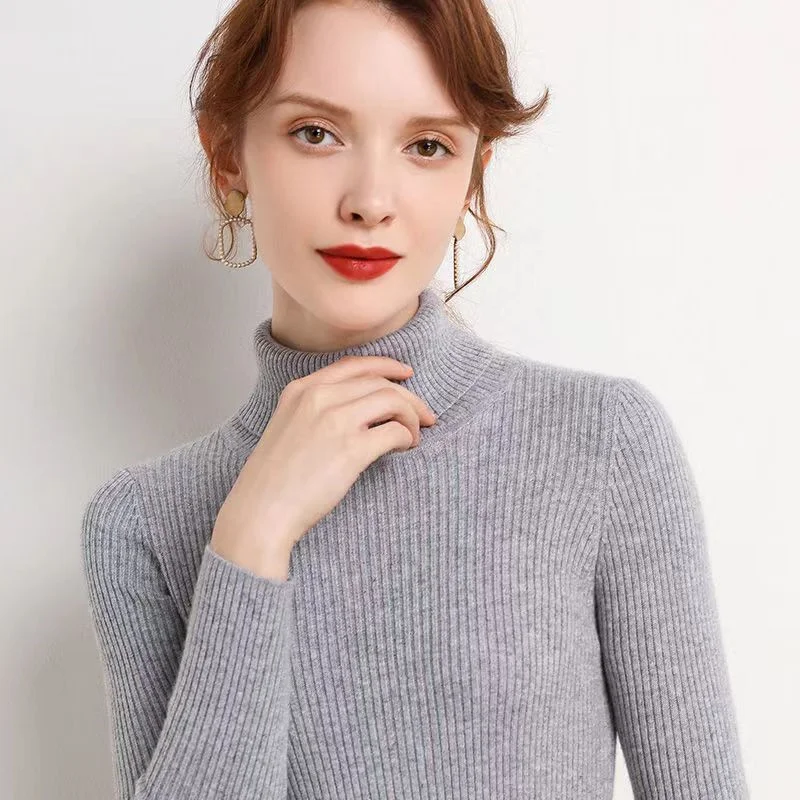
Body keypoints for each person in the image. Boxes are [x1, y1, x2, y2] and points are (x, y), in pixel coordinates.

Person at [80, 0, 750, 798]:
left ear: (473, 175)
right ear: (228, 157)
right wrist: (254, 533)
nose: (371, 200)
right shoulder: (143, 523)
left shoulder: (601, 443)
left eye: (427, 146)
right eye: (315, 133)